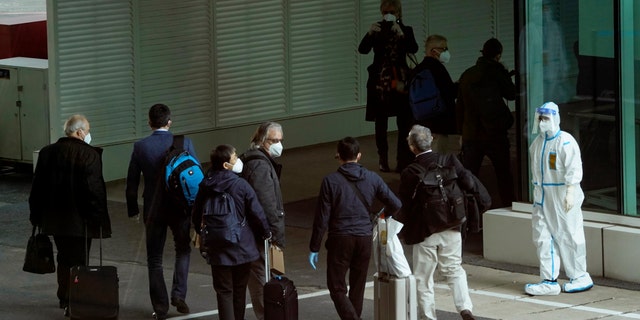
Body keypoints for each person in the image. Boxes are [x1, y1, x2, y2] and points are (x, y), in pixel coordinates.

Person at [308, 136, 402, 320]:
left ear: (338, 156)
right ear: (359, 156)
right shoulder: (372, 177)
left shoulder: (330, 181)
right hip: (364, 237)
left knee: (336, 287)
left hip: (340, 238)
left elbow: (322, 218)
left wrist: (314, 247)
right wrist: (381, 216)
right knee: (357, 287)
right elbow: (395, 203)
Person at [29, 114, 112, 317]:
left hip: (55, 219)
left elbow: (37, 188)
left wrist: (36, 215)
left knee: (64, 257)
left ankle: (64, 296)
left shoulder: (48, 152)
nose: (89, 134)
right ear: (80, 132)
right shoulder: (90, 154)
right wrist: (99, 219)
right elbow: (95, 190)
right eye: (88, 130)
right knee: (81, 259)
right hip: (81, 220)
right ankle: (76, 300)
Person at [396, 125, 476, 320]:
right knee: (454, 269)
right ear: (431, 140)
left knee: (423, 277)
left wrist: (398, 229)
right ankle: (465, 309)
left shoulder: (410, 171)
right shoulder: (449, 160)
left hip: (425, 230)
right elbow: (470, 183)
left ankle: (428, 317)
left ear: (412, 147)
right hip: (452, 224)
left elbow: (403, 205)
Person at [125, 103, 195, 320]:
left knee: (154, 258)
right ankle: (179, 294)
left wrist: (132, 209)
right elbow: (194, 176)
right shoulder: (184, 143)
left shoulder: (140, 146)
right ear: (169, 122)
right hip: (180, 207)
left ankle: (161, 306)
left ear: (149, 122)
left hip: (153, 208)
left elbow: (132, 182)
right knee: (183, 249)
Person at [191, 144, 271, 320]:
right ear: (226, 165)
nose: (238, 160)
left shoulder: (205, 185)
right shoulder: (240, 185)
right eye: (234, 158)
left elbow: (196, 214)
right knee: (239, 289)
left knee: (224, 291)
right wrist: (266, 233)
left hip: (217, 247)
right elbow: (257, 212)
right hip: (241, 245)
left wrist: (201, 232)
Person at [525, 102, 593, 296]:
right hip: (542, 197)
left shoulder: (565, 142)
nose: (542, 123)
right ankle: (549, 280)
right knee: (543, 237)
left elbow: (574, 169)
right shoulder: (537, 143)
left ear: (555, 119)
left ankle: (579, 275)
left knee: (569, 234)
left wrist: (571, 191)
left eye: (546, 119)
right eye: (540, 119)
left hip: (562, 196)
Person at [358, 0, 419, 173]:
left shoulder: (406, 30)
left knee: (404, 121)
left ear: (398, 13)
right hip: (380, 83)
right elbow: (362, 50)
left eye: (391, 11)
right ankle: (382, 159)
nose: (387, 14)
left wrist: (401, 34)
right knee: (381, 122)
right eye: (384, 12)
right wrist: (369, 33)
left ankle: (402, 159)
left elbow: (413, 48)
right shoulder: (377, 29)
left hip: (399, 81)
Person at [456, 37, 516, 208]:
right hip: (495, 132)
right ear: (498, 55)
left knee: (469, 174)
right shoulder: (497, 73)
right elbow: (511, 94)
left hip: (472, 133)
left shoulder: (467, 74)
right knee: (503, 173)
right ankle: (509, 206)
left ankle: (468, 209)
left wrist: (461, 132)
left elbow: (460, 106)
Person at [239, 121, 285, 320]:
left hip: (255, 233)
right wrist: (276, 237)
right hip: (260, 235)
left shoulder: (256, 160)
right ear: (262, 140)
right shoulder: (259, 165)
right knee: (262, 280)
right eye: (274, 140)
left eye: (280, 140)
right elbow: (267, 205)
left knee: (262, 279)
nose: (278, 145)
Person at [412, 34, 460, 155]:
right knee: (437, 156)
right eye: (444, 49)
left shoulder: (419, 69)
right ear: (434, 51)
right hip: (439, 122)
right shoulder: (437, 69)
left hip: (422, 120)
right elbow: (449, 92)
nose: (446, 52)